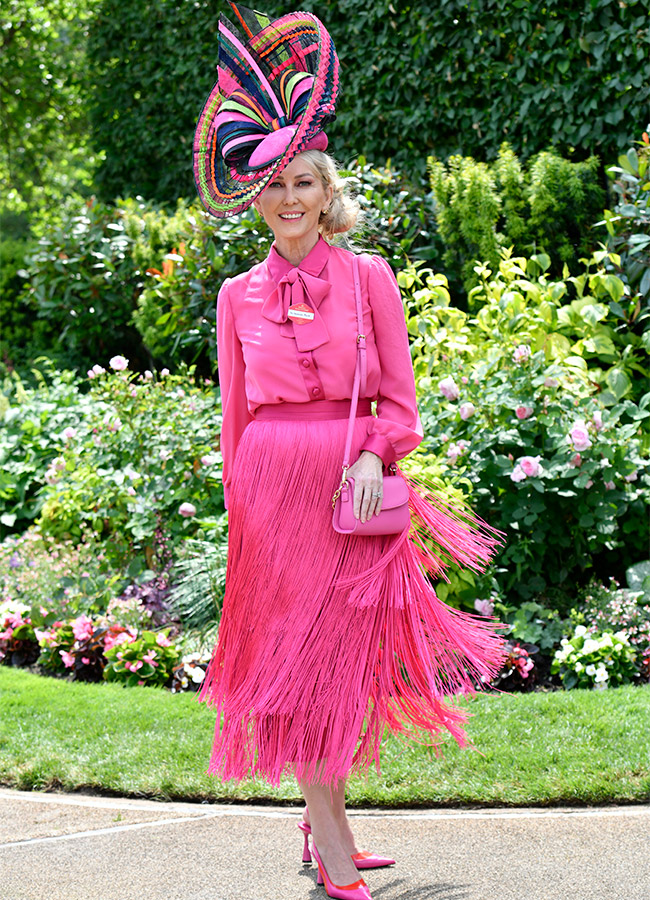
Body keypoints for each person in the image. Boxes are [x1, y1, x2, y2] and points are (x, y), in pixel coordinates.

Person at [193, 6, 505, 899]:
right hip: (273, 494)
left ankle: (317, 823)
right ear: (253, 198)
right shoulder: (235, 294)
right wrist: (241, 518)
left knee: (344, 662)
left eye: (304, 182)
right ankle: (331, 851)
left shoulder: (368, 278)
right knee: (294, 664)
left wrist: (375, 452)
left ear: (327, 192)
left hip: (353, 489)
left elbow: (399, 397)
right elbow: (236, 416)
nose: (289, 199)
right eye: (272, 186)